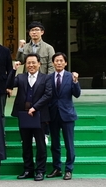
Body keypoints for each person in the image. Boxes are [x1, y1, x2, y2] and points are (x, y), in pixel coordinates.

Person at [7, 53, 52, 181]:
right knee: (25, 144)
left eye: (33, 62)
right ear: (25, 65)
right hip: (24, 115)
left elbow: (48, 95)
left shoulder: (46, 78)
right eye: (28, 63)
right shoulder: (21, 77)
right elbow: (9, 84)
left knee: (40, 145)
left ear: (39, 64)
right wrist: (14, 69)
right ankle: (28, 170)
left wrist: (35, 107)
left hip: (40, 115)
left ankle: (40, 171)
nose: (31, 65)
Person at [46, 52, 81, 181]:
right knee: (55, 144)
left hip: (67, 115)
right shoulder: (48, 78)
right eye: (56, 61)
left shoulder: (71, 76)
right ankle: (57, 168)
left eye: (61, 61)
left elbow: (77, 94)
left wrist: (76, 82)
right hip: (53, 114)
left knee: (69, 144)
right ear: (53, 63)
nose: (59, 63)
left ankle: (69, 169)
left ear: (65, 63)